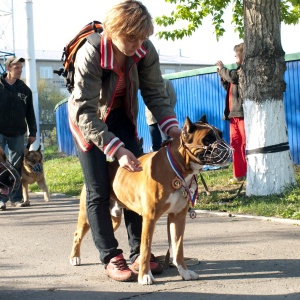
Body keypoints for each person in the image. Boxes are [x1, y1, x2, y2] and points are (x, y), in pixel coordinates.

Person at [68, 0, 181, 282]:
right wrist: (116, 149)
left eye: (142, 37)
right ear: (113, 30)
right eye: (131, 37)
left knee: (137, 178)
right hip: (87, 117)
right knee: (98, 188)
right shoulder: (91, 52)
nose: (138, 43)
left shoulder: (144, 49)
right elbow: (84, 111)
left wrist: (173, 129)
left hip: (120, 113)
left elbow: (155, 93)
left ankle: (138, 253)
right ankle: (110, 256)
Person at [0, 56, 37, 210]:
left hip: (18, 133)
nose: (20, 70)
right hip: (0, 132)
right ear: (8, 68)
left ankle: (16, 198)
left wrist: (32, 131)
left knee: (15, 166)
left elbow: (30, 113)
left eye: (21, 68)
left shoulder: (25, 90)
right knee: (1, 166)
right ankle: (1, 199)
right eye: (17, 68)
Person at [216, 42, 247, 184]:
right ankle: (239, 174)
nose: (235, 57)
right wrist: (222, 76)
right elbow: (229, 84)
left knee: (245, 144)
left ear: (243, 54)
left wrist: (222, 69)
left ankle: (248, 173)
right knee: (235, 145)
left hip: (242, 113)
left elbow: (234, 78)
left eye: (237, 54)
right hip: (233, 114)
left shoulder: (244, 70)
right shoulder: (236, 70)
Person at [145, 78, 177, 151]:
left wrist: (167, 112)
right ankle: (157, 161)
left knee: (167, 143)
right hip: (151, 120)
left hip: (164, 118)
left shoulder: (166, 82)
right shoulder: (147, 83)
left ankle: (169, 160)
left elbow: (173, 98)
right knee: (155, 144)